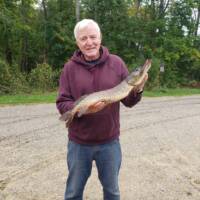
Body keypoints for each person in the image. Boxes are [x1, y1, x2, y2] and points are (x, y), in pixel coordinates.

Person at [56, 19, 148, 200]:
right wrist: (84, 110)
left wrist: (138, 88)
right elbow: (62, 102)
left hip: (109, 143)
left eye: (93, 37)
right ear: (77, 43)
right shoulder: (69, 68)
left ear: (100, 38)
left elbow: (128, 101)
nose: (89, 42)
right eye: (83, 38)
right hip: (78, 144)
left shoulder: (117, 63)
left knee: (112, 192)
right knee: (73, 193)